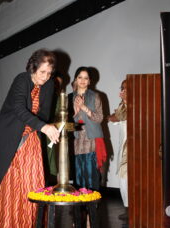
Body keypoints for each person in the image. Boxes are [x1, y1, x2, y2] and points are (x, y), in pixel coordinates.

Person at [0, 49, 60, 227]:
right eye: (42, 72)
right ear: (33, 68)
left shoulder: (49, 85)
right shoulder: (21, 79)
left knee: (33, 179)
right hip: (10, 133)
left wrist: (42, 126)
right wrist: (43, 126)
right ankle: (7, 221)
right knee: (8, 180)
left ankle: (30, 220)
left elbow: (44, 113)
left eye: (49, 73)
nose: (45, 77)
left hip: (30, 135)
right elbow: (18, 108)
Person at [69, 66, 107, 228]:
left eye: (86, 78)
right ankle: (79, 217)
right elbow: (67, 123)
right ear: (75, 80)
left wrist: (84, 108)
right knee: (78, 178)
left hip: (92, 139)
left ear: (90, 81)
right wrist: (76, 112)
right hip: (76, 140)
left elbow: (99, 118)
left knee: (91, 178)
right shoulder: (69, 97)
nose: (83, 80)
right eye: (80, 77)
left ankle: (92, 217)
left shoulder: (95, 96)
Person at [107, 80, 128, 220]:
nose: (123, 91)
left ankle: (133, 209)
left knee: (126, 178)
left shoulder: (138, 102)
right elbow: (114, 118)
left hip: (133, 148)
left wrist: (126, 102)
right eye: (122, 88)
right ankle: (128, 208)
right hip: (124, 146)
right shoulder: (124, 105)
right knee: (123, 179)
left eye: (127, 88)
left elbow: (118, 117)